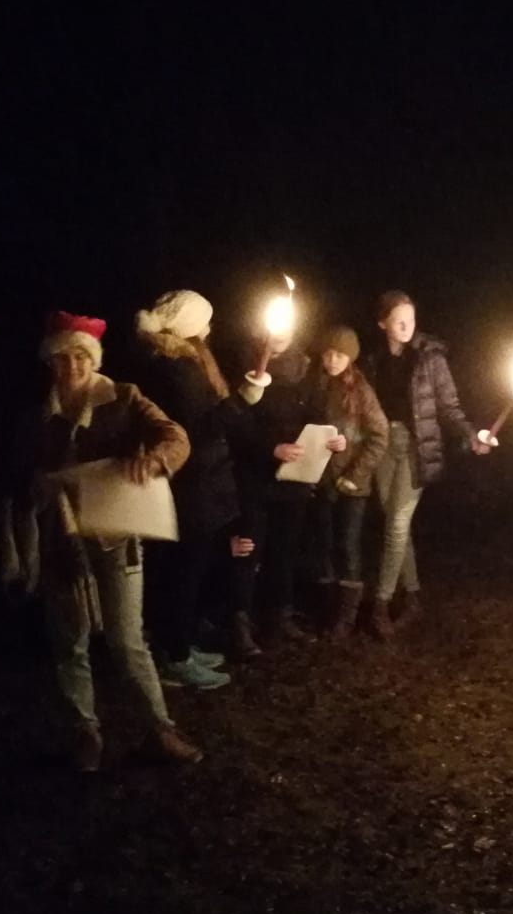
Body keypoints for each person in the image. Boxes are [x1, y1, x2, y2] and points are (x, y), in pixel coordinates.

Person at [6, 312, 201, 772]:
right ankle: (85, 733)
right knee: (69, 640)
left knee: (127, 638)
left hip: (117, 534)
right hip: (62, 540)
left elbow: (176, 437)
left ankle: (160, 729)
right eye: (62, 357)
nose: (71, 366)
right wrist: (35, 487)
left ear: (92, 359)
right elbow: (19, 472)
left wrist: (154, 461)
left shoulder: (123, 398)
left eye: (80, 355)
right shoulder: (37, 415)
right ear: (50, 362)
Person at [134, 289, 251, 689]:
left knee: (189, 568)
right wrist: (242, 401)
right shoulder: (175, 368)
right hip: (192, 484)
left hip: (203, 482)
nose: (210, 327)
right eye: (204, 320)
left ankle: (178, 643)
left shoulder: (185, 360)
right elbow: (197, 430)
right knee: (182, 571)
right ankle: (175, 656)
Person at [358, 291, 489, 638]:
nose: (406, 326)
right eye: (398, 320)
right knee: (394, 524)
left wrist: (470, 435)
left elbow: (449, 407)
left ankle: (380, 604)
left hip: (416, 449)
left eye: (411, 319)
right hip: (384, 445)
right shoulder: (371, 360)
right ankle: (414, 598)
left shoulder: (431, 358)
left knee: (398, 525)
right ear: (382, 322)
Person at [236, 309, 345, 645]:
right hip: (255, 477)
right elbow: (238, 422)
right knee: (248, 550)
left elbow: (317, 414)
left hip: (295, 478)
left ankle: (278, 616)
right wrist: (271, 448)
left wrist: (332, 438)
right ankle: (239, 621)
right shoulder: (246, 366)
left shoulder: (305, 369)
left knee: (284, 550)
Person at [306, 326, 388, 639]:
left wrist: (354, 476)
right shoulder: (315, 384)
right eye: (328, 353)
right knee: (323, 544)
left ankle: (346, 617)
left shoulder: (361, 391)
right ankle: (326, 612)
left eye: (340, 354)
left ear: (351, 357)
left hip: (352, 485)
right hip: (322, 480)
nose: (333, 359)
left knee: (347, 546)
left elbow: (379, 436)